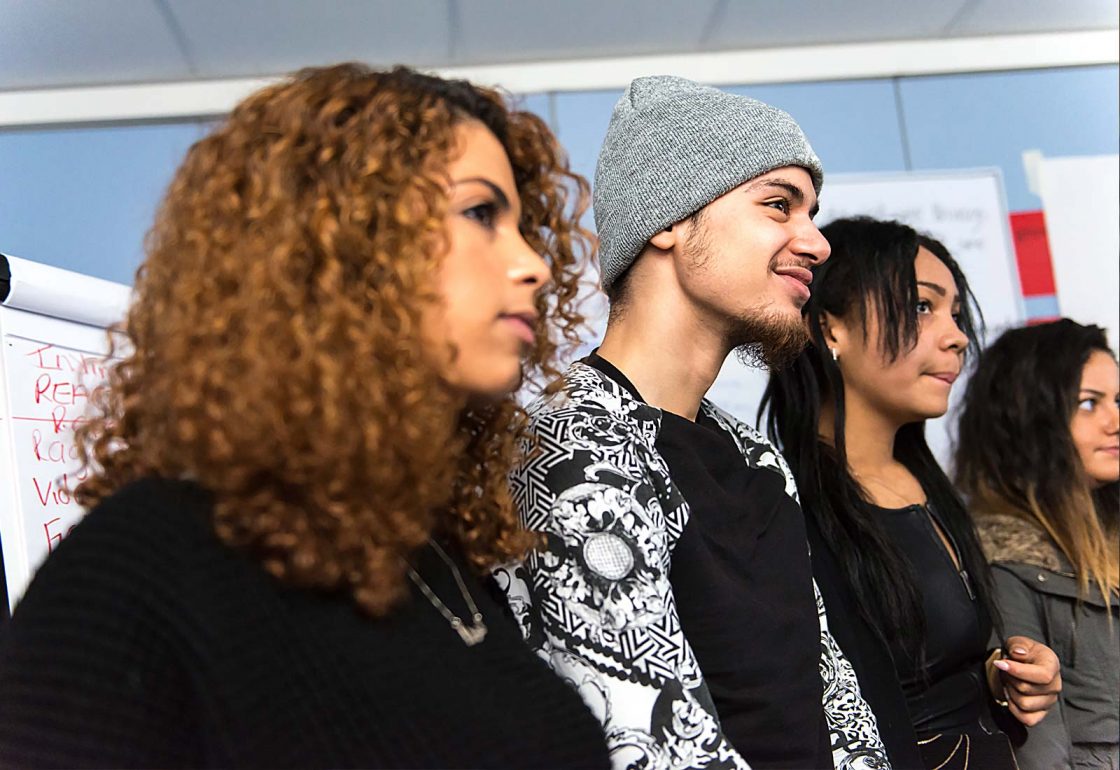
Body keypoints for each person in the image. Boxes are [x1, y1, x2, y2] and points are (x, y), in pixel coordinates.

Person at [0, 64, 611, 769]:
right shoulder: (145, 566)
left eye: (524, 226)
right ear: (344, 245)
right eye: (480, 214)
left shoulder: (429, 556)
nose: (533, 263)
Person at [494, 75, 887, 770]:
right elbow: (643, 740)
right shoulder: (572, 446)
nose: (817, 243)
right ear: (669, 220)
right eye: (778, 205)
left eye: (812, 213)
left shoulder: (753, 456)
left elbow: (831, 696)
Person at [762, 216, 1063, 770]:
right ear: (831, 330)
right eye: (923, 306)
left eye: (954, 313)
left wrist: (1003, 676)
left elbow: (932, 667)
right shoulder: (786, 511)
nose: (957, 336)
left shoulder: (926, 483)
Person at [956, 319, 1119, 770]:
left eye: (1118, 400)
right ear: (1027, 418)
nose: (1116, 421)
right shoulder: (1003, 562)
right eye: (1088, 404)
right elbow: (1039, 750)